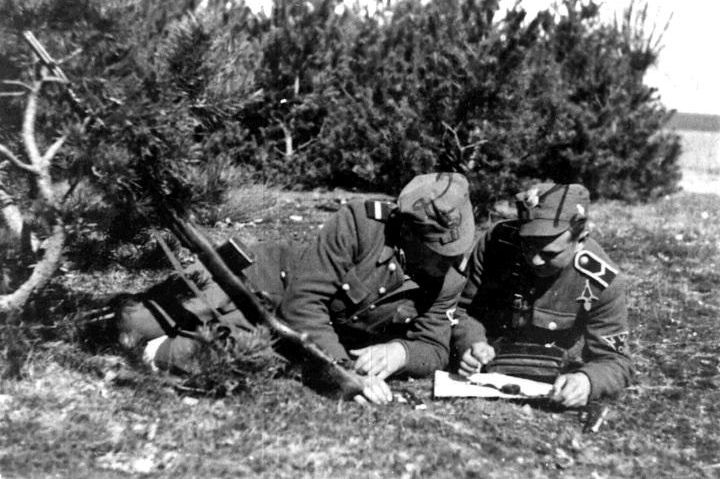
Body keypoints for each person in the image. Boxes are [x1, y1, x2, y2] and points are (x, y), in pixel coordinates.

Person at [113, 173, 475, 405]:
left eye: (456, 250)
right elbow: (305, 303)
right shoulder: (361, 224)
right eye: (438, 251)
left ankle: (153, 353)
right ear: (409, 232)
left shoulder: (450, 277)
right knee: (130, 325)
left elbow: (435, 348)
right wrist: (344, 371)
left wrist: (401, 352)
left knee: (194, 357)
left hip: (290, 338)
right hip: (253, 281)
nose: (450, 261)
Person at [451, 183, 632, 408]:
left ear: (580, 241)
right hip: (490, 368)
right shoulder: (496, 243)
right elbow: (461, 310)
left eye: (549, 254)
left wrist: (587, 381)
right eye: (528, 246)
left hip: (554, 375)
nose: (535, 260)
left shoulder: (601, 282)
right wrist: (471, 342)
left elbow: (616, 360)